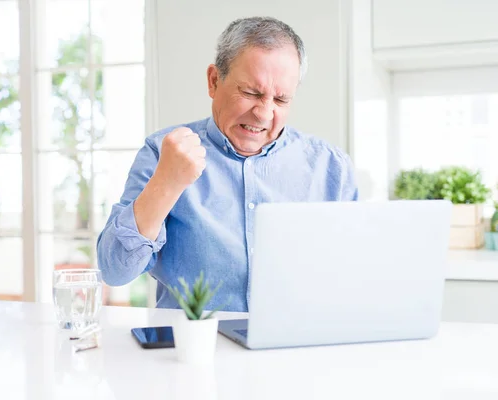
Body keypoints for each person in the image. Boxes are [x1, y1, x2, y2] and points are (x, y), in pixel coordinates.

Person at [97, 16, 358, 312]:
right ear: (213, 81)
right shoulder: (162, 152)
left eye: (281, 100)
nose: (264, 113)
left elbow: (353, 279)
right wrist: (165, 185)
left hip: (295, 350)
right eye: (250, 93)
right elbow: (115, 270)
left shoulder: (331, 168)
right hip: (193, 350)